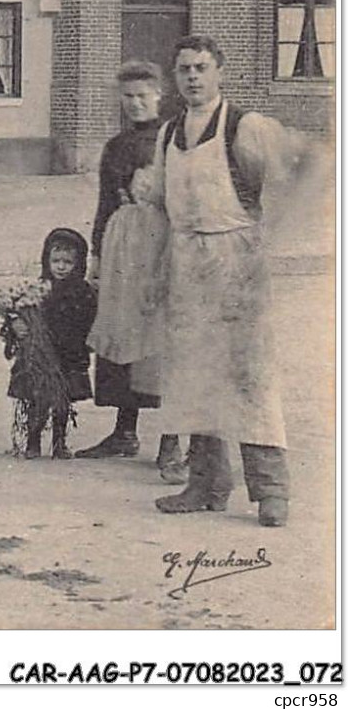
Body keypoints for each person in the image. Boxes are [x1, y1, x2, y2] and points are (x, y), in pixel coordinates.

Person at [141, 36, 316, 528]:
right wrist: (157, 268)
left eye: (201, 68)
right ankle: (206, 484)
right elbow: (159, 203)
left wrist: (267, 243)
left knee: (249, 377)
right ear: (174, 78)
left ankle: (271, 491)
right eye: (183, 70)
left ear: (220, 72)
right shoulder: (167, 134)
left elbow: (295, 178)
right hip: (185, 261)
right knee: (194, 375)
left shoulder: (246, 127)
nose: (192, 77)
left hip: (237, 260)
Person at [78, 61, 183, 481]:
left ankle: (171, 441)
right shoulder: (115, 146)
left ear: (159, 94)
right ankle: (124, 430)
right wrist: (97, 255)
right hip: (123, 245)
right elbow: (105, 203)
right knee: (122, 332)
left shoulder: (174, 138)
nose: (136, 103)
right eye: (128, 96)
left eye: (143, 95)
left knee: (160, 338)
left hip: (161, 242)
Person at [5, 228, 96, 459]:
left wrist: (85, 346)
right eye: (56, 261)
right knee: (38, 398)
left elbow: (90, 321)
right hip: (41, 356)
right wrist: (17, 324)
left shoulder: (84, 292)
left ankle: (59, 442)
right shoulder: (38, 289)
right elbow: (19, 314)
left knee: (62, 401)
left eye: (68, 262)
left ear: (78, 263)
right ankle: (33, 442)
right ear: (47, 260)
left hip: (69, 355)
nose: (61, 267)